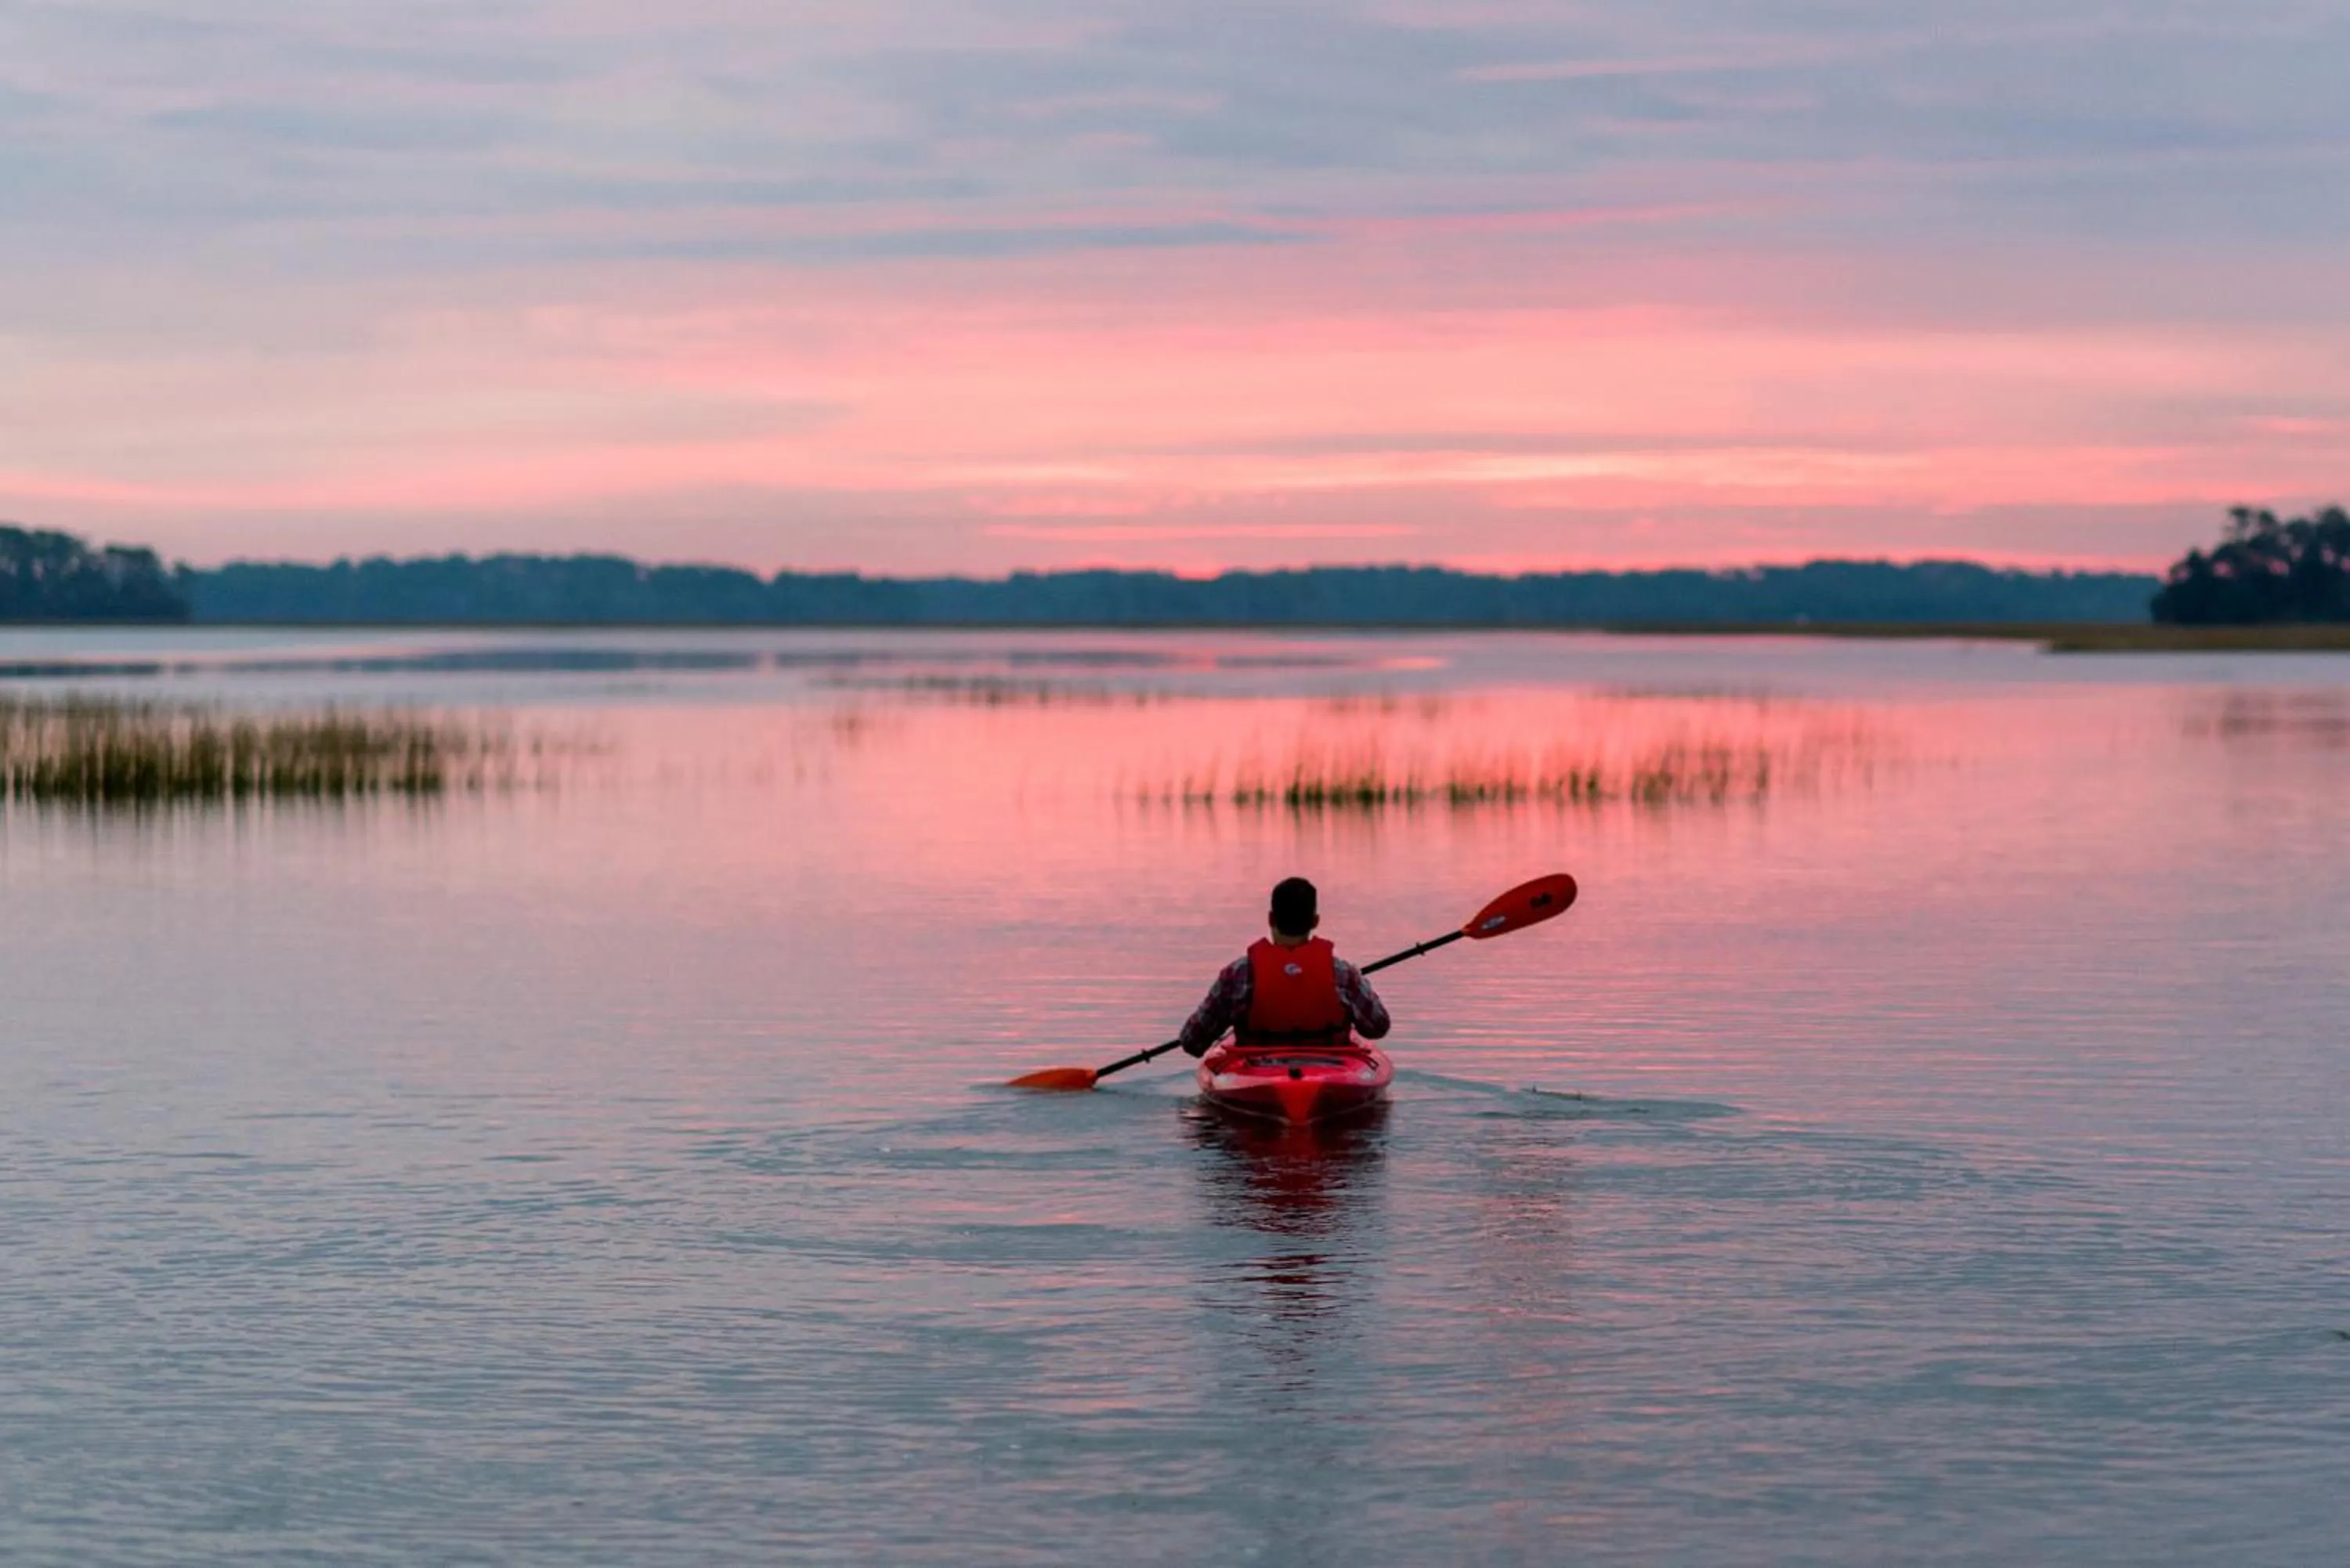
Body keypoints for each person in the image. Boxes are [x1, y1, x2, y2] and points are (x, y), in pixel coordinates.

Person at [1178, 877, 1391, 1057]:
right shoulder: (1344, 973)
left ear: (1271, 919)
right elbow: (1378, 1026)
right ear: (1315, 921)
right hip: (1330, 1065)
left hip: (1257, 1068)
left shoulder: (1237, 974)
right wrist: (1361, 980)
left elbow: (1192, 1041)